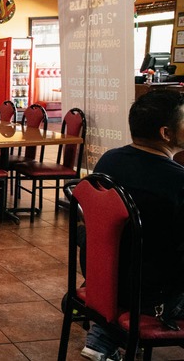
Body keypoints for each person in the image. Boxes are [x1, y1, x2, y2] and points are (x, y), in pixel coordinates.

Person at [81, 90, 184, 361]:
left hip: (102, 278)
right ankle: (108, 335)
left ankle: (105, 334)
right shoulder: (177, 181)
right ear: (167, 133)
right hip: (151, 295)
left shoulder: (108, 161)